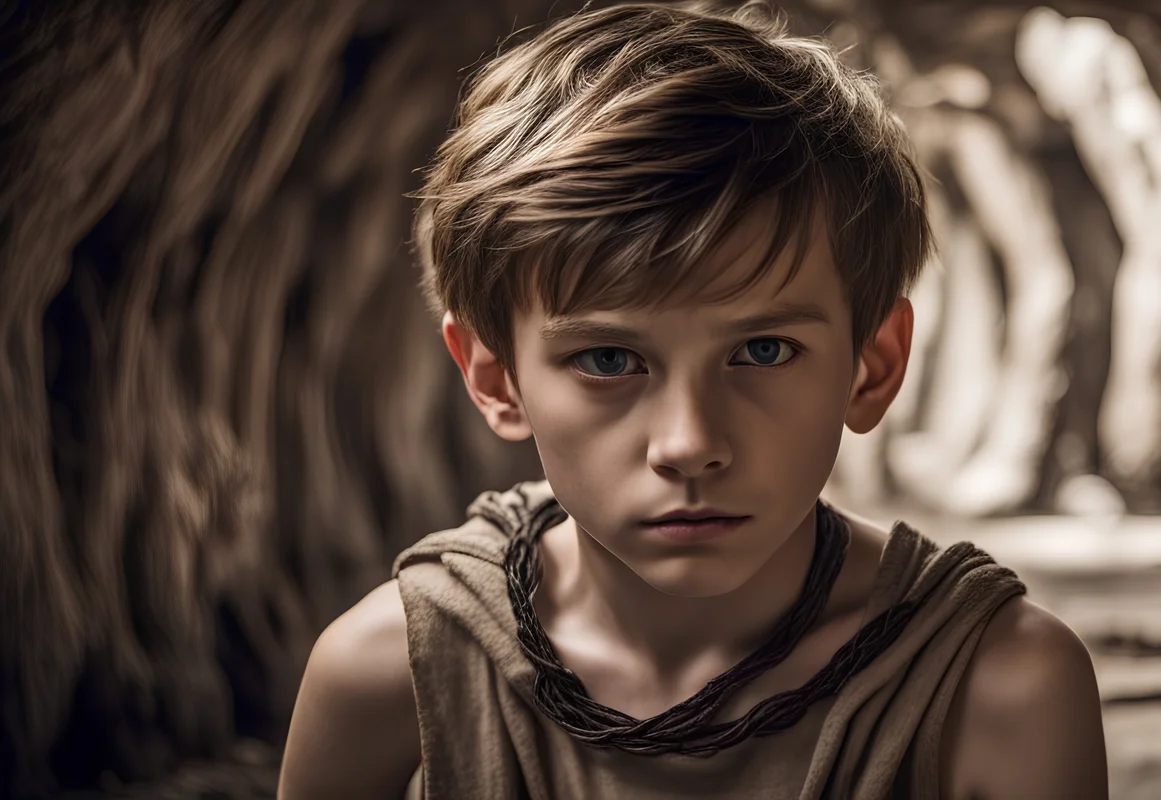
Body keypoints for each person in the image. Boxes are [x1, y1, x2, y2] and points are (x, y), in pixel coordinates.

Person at [277, 3, 1107, 799]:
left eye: (764, 351)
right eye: (608, 359)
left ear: (873, 366)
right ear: (497, 380)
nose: (688, 442)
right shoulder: (393, 674)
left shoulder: (998, 689)